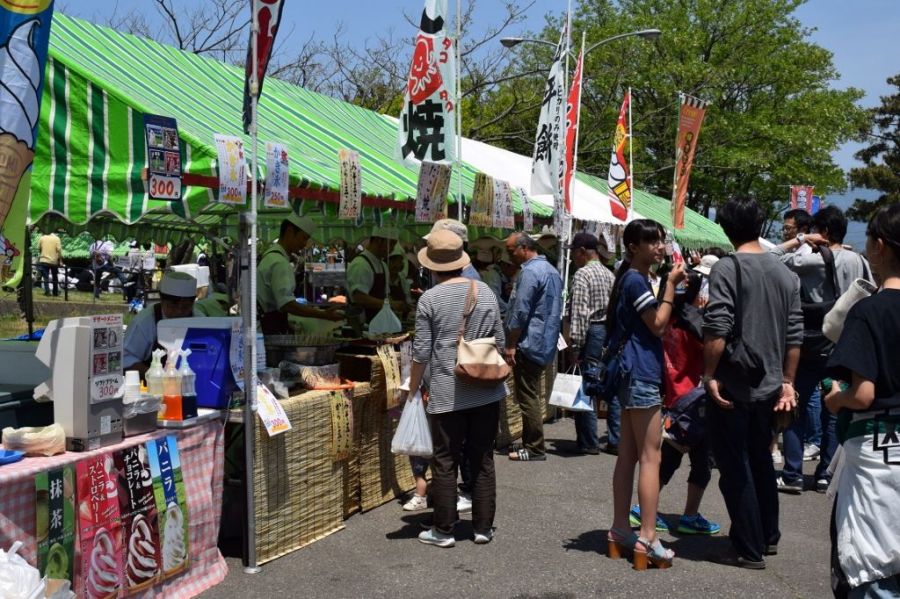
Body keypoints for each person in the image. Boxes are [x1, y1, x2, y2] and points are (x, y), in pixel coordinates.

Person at [702, 197, 802, 569]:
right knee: (761, 459)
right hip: (772, 384)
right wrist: (788, 381)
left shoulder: (727, 268)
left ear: (726, 229)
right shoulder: (783, 273)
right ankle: (767, 536)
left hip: (735, 383)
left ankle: (747, 546)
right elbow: (795, 333)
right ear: (761, 224)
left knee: (735, 465)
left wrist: (709, 374)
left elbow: (717, 327)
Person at [406, 230, 506, 547]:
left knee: (445, 459)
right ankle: (482, 528)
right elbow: (501, 342)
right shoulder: (487, 293)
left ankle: (444, 529)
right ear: (461, 262)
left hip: (446, 391)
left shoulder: (429, 299)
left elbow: (421, 352)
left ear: (432, 266)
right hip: (487, 390)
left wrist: (411, 387)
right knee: (482, 458)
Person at [824, 203, 900, 597]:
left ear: (879, 246)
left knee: (872, 563)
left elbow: (864, 393)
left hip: (878, 450)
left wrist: (836, 400)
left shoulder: (869, 311)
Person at [769, 206, 871, 494]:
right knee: (835, 406)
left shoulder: (805, 259)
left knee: (795, 404)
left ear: (822, 232)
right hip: (843, 343)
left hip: (808, 342)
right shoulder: (857, 259)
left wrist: (800, 240)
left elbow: (771, 257)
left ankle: (792, 474)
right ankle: (826, 473)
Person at [604, 219, 685, 570]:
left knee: (628, 455)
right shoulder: (637, 279)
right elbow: (657, 323)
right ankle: (648, 536)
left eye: (661, 240)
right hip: (641, 374)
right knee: (652, 457)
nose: (659, 246)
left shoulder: (629, 277)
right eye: (651, 241)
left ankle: (620, 529)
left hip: (627, 374)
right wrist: (670, 286)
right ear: (633, 246)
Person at [629, 272, 720, 536]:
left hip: (671, 398)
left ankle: (644, 509)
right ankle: (689, 515)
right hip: (696, 401)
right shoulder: (697, 328)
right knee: (702, 462)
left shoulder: (663, 321)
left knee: (667, 460)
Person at [503, 232, 562, 462]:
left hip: (530, 342)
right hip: (544, 341)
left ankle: (535, 447)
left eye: (511, 251)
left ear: (524, 248)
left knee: (527, 396)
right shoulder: (551, 271)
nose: (510, 256)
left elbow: (520, 311)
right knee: (531, 394)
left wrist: (511, 344)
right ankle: (531, 442)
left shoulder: (529, 271)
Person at [567, 233, 616, 455]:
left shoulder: (582, 274)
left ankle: (588, 441)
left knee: (586, 383)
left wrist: (575, 345)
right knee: (609, 383)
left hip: (592, 331)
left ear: (582, 251)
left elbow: (579, 313)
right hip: (609, 332)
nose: (573, 257)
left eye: (574, 252)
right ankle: (616, 439)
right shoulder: (610, 274)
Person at [257, 213, 344, 335]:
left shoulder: (271, 257)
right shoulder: (278, 262)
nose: (304, 244)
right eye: (303, 238)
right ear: (289, 232)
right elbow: (287, 304)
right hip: (268, 329)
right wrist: (324, 315)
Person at [123, 270, 198, 377]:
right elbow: (126, 358)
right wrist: (154, 374)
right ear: (161, 300)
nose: (179, 311)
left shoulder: (200, 320)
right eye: (172, 306)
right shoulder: (144, 322)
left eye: (185, 307)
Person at [347, 228, 402, 322]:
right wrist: (390, 304)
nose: (392, 249)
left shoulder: (383, 265)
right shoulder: (361, 264)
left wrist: (395, 305)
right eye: (391, 244)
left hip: (379, 322)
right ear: (378, 240)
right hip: (363, 323)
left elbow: (386, 295)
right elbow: (360, 298)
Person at [90, 235, 127, 300]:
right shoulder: (105, 245)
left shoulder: (92, 246)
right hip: (103, 265)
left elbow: (90, 255)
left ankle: (96, 295)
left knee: (97, 280)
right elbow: (110, 256)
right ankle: (125, 282)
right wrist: (113, 265)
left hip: (95, 266)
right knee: (118, 271)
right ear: (102, 238)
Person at [37, 231, 63, 297]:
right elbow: (59, 250)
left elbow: (39, 249)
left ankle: (47, 292)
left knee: (46, 277)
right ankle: (55, 292)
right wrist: (60, 260)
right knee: (55, 277)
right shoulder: (57, 238)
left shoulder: (42, 238)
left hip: (44, 260)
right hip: (54, 261)